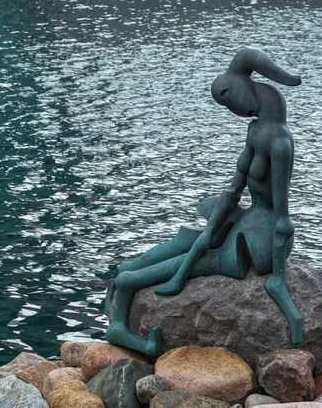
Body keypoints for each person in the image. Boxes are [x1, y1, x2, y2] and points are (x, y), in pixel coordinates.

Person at [104, 47, 304, 357]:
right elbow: (234, 189)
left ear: (235, 89)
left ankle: (126, 286)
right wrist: (211, 228)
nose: (236, 112)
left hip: (259, 238)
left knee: (204, 259)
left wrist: (278, 279)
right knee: (190, 239)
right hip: (246, 218)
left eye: (231, 102)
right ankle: (125, 273)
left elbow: (283, 220)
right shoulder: (256, 132)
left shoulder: (280, 142)